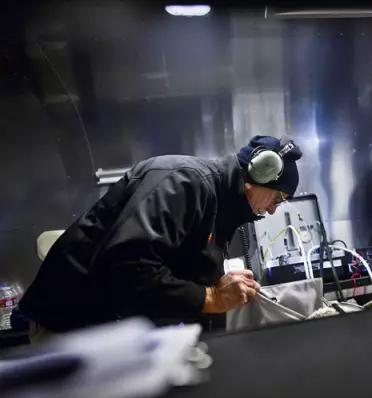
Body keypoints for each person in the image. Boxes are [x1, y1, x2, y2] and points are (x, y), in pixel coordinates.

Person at [19, 135, 303, 340]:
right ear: (260, 174)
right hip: (69, 325)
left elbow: (174, 269)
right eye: (278, 198)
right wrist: (210, 296)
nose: (273, 209)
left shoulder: (220, 206)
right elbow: (126, 265)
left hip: (108, 328)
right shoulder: (185, 182)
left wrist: (217, 285)